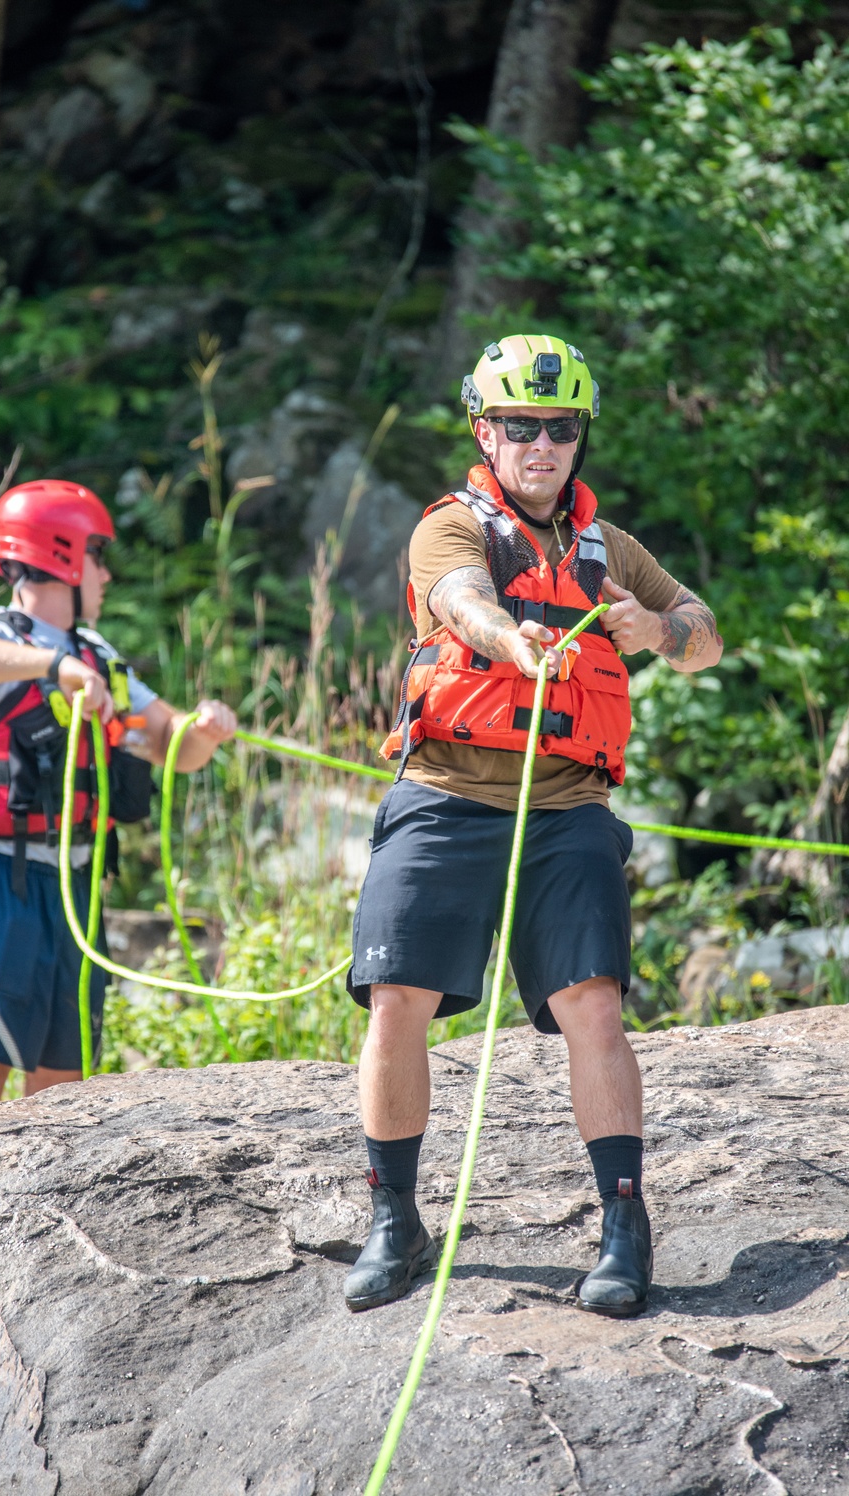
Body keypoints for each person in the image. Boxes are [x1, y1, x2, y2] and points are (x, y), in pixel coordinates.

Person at [344, 335, 722, 1316]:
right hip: (447, 791)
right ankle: (394, 1215)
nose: (542, 444)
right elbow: (457, 600)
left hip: (566, 805)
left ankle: (623, 1222)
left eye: (559, 428)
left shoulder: (610, 549)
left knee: (590, 1000)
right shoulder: (451, 525)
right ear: (486, 431)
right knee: (398, 994)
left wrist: (663, 628)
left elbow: (703, 633)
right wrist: (515, 638)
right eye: (521, 426)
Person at [0, 478, 236, 1122]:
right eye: (99, 556)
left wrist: (205, 729)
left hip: (74, 884)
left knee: (63, 1083)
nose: (107, 575)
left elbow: (176, 747)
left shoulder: (99, 656)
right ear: (63, 556)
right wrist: (51, 669)